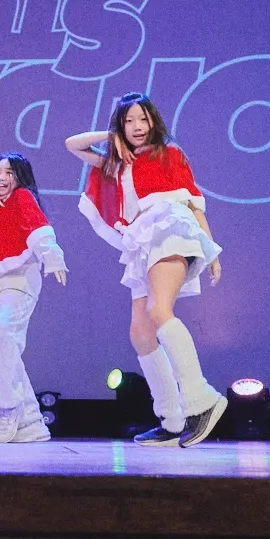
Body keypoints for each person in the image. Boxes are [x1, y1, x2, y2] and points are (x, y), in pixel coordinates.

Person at [68, 92, 227, 447]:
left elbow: (194, 203)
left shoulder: (170, 153)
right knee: (140, 332)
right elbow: (72, 145)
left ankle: (202, 399)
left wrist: (211, 250)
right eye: (128, 121)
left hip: (170, 227)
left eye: (143, 118)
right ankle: (172, 420)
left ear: (154, 120)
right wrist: (109, 137)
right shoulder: (117, 162)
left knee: (159, 311)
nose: (137, 126)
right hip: (142, 240)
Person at [0, 152, 67, 444]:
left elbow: (38, 229)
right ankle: (31, 421)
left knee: (4, 336)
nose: (2, 177)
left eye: (9, 172)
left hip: (20, 281)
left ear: (20, 176)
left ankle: (8, 409)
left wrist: (53, 257)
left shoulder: (22, 198)